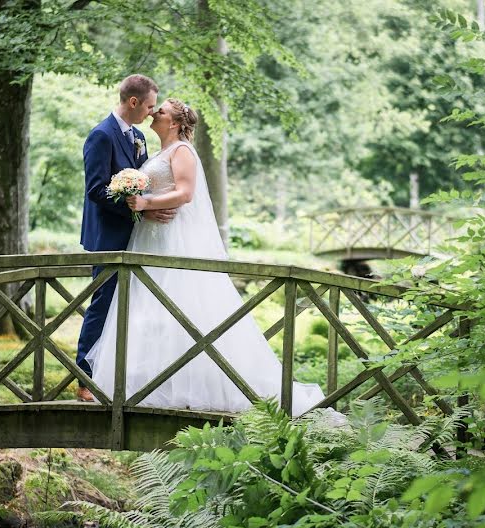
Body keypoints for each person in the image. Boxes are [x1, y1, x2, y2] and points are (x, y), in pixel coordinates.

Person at [85, 98, 324, 416]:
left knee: (181, 306)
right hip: (148, 240)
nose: (155, 112)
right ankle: (149, 383)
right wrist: (139, 201)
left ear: (173, 122)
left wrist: (145, 205)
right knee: (150, 311)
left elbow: (185, 193)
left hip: (173, 240)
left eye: (162, 110)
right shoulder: (156, 152)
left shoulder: (182, 151)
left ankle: (196, 384)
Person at [75, 75, 177, 403]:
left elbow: (141, 183)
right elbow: (96, 190)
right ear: (133, 102)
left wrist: (151, 206)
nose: (151, 113)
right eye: (148, 106)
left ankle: (118, 375)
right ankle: (83, 379)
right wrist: (142, 211)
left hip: (135, 237)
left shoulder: (136, 137)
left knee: (131, 309)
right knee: (102, 305)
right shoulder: (101, 136)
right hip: (108, 237)